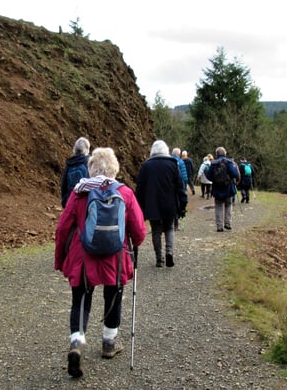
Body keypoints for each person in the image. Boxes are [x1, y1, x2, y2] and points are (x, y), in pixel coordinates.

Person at [54, 147, 146, 378]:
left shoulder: (79, 193)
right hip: (116, 257)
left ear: (91, 169)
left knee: (81, 300)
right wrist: (133, 244)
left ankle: (77, 342)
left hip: (83, 257)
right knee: (113, 295)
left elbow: (62, 228)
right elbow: (139, 231)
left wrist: (60, 259)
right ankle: (108, 343)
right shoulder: (125, 193)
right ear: (114, 168)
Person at [135, 140, 187, 267]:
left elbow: (140, 188)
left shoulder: (146, 166)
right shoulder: (173, 165)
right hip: (170, 203)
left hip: (152, 204)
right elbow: (180, 187)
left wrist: (140, 206)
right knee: (169, 228)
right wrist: (183, 204)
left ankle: (159, 258)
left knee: (156, 230)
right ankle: (169, 252)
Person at [206, 146, 240, 232]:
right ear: (225, 153)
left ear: (216, 154)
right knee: (228, 205)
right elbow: (235, 174)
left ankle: (219, 226)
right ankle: (228, 223)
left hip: (217, 189)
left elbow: (208, 176)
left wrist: (215, 180)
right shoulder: (229, 162)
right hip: (228, 188)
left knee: (218, 206)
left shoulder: (213, 163)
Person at [60, 137, 90, 208]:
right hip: (84, 203)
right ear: (87, 149)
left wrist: (64, 201)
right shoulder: (89, 163)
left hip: (70, 200)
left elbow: (64, 184)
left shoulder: (70, 163)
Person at [170, 147, 188, 231]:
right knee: (177, 204)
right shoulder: (180, 162)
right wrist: (184, 186)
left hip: (168, 186)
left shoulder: (168, 161)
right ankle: (175, 223)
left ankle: (170, 222)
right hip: (177, 186)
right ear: (179, 154)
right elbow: (184, 176)